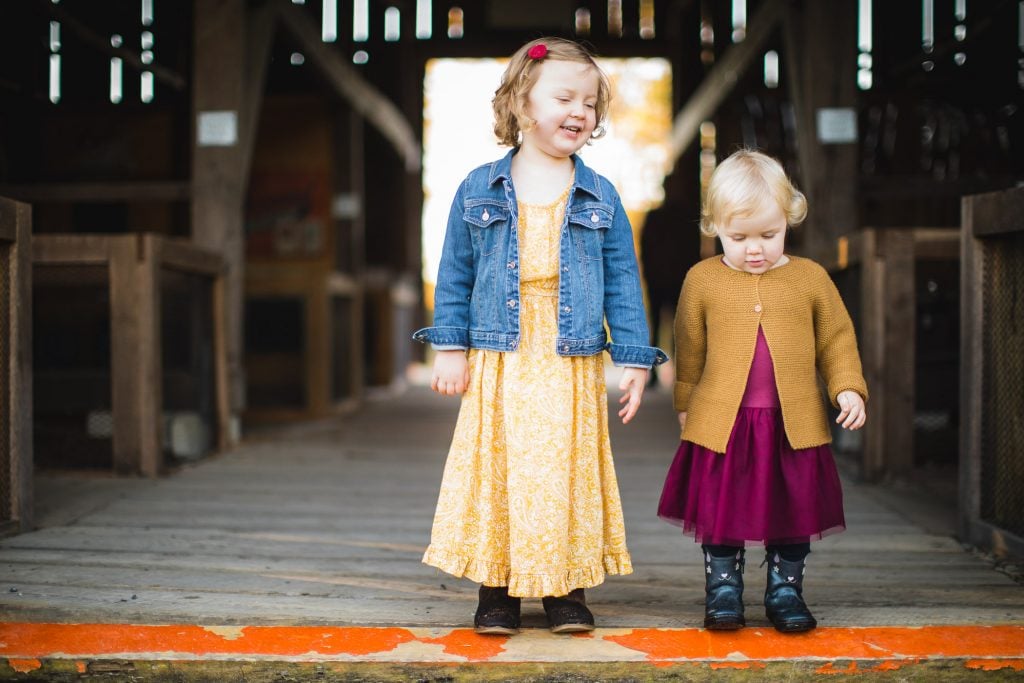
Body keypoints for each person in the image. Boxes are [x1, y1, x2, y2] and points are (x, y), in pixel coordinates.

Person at [413, 37, 667, 636]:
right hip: (501, 352)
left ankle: (564, 588)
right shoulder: (478, 187)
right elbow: (455, 272)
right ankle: (496, 589)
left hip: (569, 355)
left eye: (590, 102)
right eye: (565, 98)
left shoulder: (600, 195)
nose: (580, 111)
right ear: (524, 105)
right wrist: (449, 347)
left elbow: (624, 280)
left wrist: (634, 358)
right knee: (497, 464)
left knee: (565, 467)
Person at [657, 149, 867, 633]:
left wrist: (848, 388)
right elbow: (688, 349)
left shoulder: (810, 278)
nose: (755, 248)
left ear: (788, 220)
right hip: (723, 422)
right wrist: (685, 405)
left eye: (769, 236)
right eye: (739, 237)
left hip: (793, 421)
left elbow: (836, 339)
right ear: (715, 227)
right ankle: (724, 588)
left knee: (793, 508)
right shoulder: (702, 280)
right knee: (722, 510)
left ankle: (785, 589)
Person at [640, 172, 701, 384]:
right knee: (657, 327)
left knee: (679, 329)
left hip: (677, 282)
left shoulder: (686, 217)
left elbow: (694, 251)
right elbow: (646, 249)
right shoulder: (658, 217)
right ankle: (654, 373)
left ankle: (679, 372)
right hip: (659, 281)